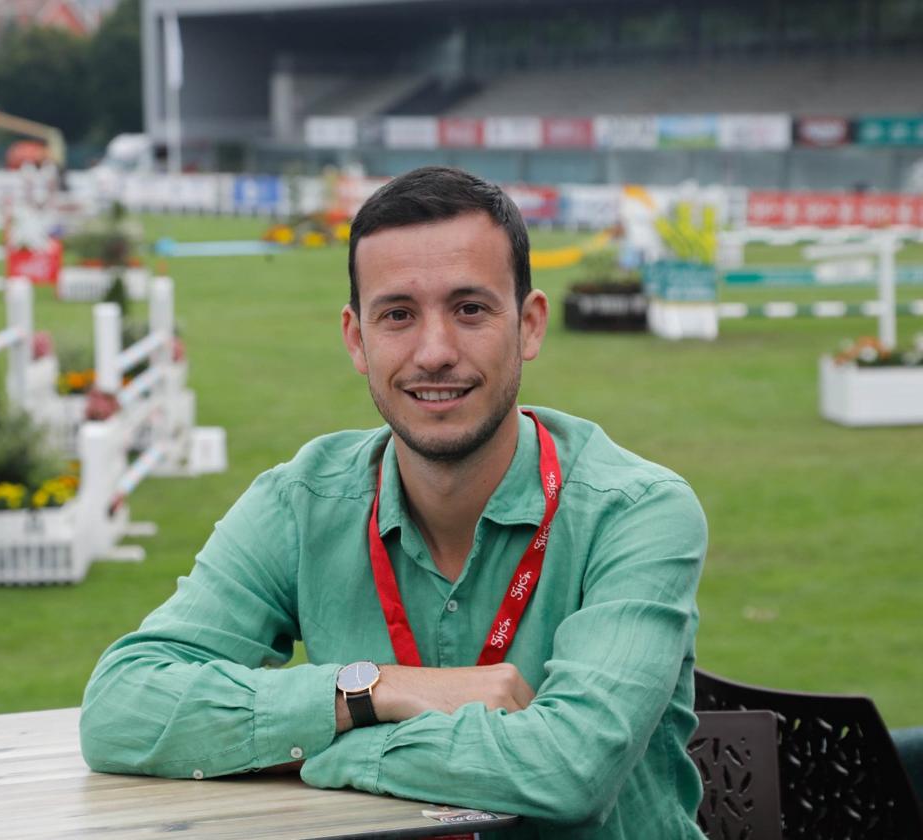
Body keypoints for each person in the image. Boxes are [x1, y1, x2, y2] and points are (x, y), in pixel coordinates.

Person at [81, 166, 708, 839]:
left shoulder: (639, 513)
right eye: (398, 315)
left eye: (470, 309)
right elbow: (120, 707)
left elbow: (568, 771)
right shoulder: (302, 501)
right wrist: (371, 690)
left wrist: (330, 749)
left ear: (529, 326)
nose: (434, 353)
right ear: (356, 338)